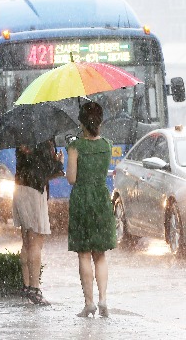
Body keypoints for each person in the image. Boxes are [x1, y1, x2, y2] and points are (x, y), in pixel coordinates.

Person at [66, 101, 115, 318]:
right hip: (101, 199)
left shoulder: (76, 147)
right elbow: (103, 172)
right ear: (100, 121)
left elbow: (72, 179)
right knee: (101, 254)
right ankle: (104, 299)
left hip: (82, 200)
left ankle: (89, 303)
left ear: (81, 122)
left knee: (84, 254)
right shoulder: (107, 145)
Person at [13, 139, 64, 305]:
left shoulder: (21, 136)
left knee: (26, 241)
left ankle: (26, 286)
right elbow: (47, 172)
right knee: (36, 243)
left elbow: (28, 165)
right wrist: (58, 163)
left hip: (19, 188)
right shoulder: (43, 140)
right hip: (35, 190)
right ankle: (35, 290)